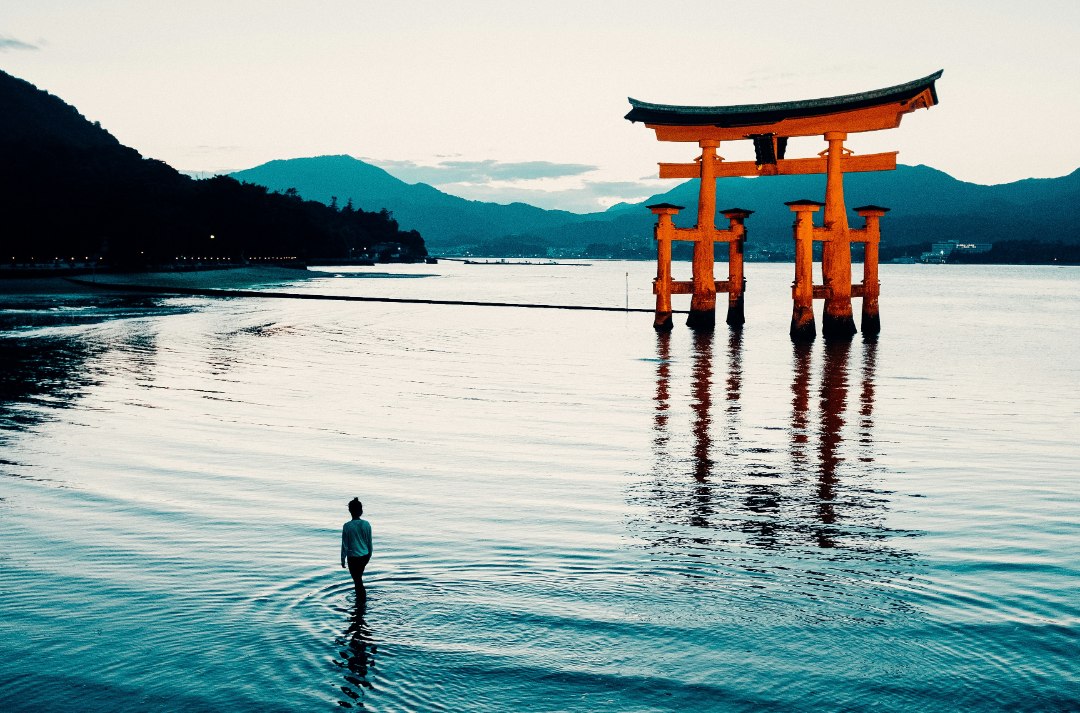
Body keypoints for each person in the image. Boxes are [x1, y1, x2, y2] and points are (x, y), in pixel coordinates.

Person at [340, 498, 373, 594]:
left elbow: (344, 545)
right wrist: (369, 555)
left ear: (350, 511)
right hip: (364, 556)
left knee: (357, 581)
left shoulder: (347, 526)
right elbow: (369, 542)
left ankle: (361, 602)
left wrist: (343, 559)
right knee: (358, 579)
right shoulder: (366, 524)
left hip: (353, 558)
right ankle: (360, 603)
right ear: (361, 511)